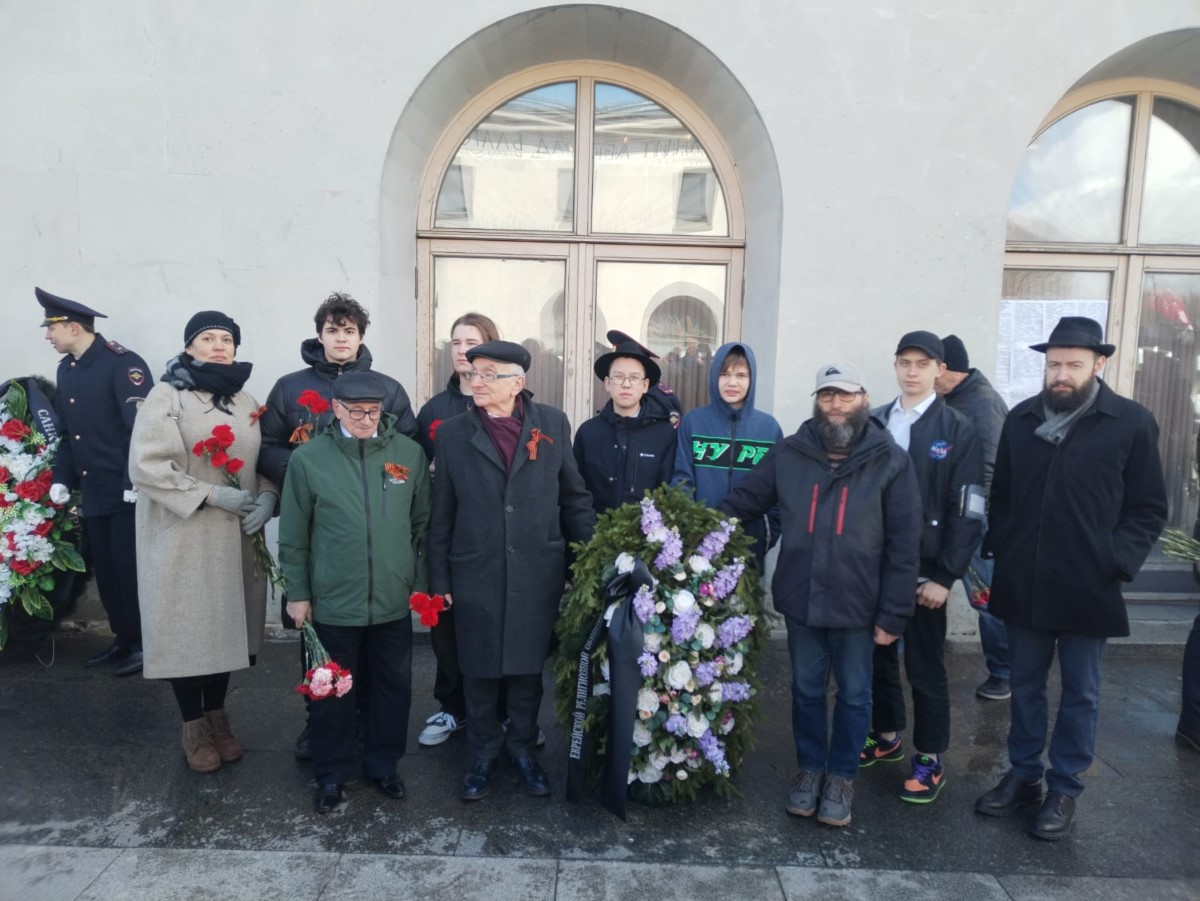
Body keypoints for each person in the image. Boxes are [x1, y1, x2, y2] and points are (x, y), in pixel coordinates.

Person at [975, 316, 1168, 840]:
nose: (1061, 374)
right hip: (1025, 579)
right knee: (1025, 685)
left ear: (1098, 364)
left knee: (1081, 690)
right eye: (1054, 363)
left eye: (1073, 365)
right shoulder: (1021, 419)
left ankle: (1065, 787)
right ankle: (1024, 775)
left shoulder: (1130, 422)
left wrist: (1116, 562)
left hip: (1090, 582)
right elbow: (1004, 495)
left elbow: (1148, 508)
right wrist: (1005, 548)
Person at [719, 362, 920, 828]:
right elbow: (744, 501)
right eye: (827, 396)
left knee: (854, 694)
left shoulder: (890, 461)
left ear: (863, 399)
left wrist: (893, 614)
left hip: (859, 604)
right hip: (802, 598)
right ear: (817, 400)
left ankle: (842, 777)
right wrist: (686, 528)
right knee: (807, 690)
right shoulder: (790, 453)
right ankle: (810, 770)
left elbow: (905, 546)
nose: (835, 405)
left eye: (845, 396)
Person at [428, 340, 595, 801]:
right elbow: (441, 515)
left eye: (488, 374)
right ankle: (482, 755)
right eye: (473, 373)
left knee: (525, 671)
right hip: (475, 569)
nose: (476, 381)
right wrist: (439, 581)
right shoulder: (454, 433)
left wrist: (590, 560)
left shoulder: (553, 424)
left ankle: (522, 750)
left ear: (517, 383)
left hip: (536, 570)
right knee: (478, 669)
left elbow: (574, 498)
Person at [257, 291, 417, 760]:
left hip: (376, 555)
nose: (341, 338)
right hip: (325, 535)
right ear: (319, 334)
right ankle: (321, 732)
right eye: (332, 329)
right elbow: (267, 445)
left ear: (361, 336)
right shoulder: (290, 387)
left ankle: (370, 734)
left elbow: (403, 445)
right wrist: (309, 475)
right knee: (325, 662)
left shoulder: (388, 388)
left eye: (349, 330)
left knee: (380, 669)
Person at [128, 311, 278, 773]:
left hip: (234, 538)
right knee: (188, 632)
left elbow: (264, 456)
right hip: (183, 537)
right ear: (189, 347)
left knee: (227, 631)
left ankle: (218, 715)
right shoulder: (166, 396)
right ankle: (193, 724)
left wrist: (268, 497)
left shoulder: (245, 398)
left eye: (227, 339)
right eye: (207, 338)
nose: (219, 346)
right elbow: (148, 467)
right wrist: (212, 493)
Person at [278, 371, 430, 813]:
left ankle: (384, 766)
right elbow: (294, 534)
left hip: (390, 600)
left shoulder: (408, 454)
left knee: (392, 688)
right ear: (336, 409)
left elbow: (422, 525)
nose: (367, 420)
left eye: (375, 411)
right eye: (357, 411)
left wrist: (418, 586)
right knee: (330, 692)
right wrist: (297, 593)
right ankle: (331, 772)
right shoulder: (309, 459)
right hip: (332, 602)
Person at [864, 330, 983, 804]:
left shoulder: (957, 429)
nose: (912, 372)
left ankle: (930, 758)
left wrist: (946, 576)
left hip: (925, 574)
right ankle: (887, 735)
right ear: (895, 367)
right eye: (904, 362)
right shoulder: (874, 423)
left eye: (921, 363)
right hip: (874, 567)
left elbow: (970, 510)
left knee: (925, 667)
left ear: (939, 370)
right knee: (877, 657)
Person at [39, 287, 154, 676]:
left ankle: (144, 643)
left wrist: (133, 480)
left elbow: (141, 430)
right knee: (106, 571)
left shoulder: (122, 364)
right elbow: (72, 434)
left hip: (126, 490)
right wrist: (61, 478)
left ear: (73, 327)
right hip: (94, 491)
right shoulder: (67, 369)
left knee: (129, 570)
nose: (47, 336)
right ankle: (123, 640)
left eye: (51, 328)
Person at [414, 311, 499, 748]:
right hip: (447, 535)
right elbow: (410, 469)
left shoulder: (509, 403)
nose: (462, 350)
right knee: (446, 634)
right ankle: (452, 708)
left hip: (493, 538)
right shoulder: (435, 410)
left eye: (472, 341)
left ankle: (505, 716)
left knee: (495, 628)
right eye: (455, 342)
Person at [935, 334, 1012, 701]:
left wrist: (970, 521)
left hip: (974, 523)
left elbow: (989, 469)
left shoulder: (981, 403)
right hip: (948, 516)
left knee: (987, 599)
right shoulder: (955, 398)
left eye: (930, 366)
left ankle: (1004, 673)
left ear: (945, 368)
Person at [672, 342, 783, 571]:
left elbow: (778, 492)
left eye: (741, 375)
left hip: (749, 551)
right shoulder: (694, 423)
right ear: (714, 377)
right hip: (699, 550)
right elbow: (681, 481)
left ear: (752, 379)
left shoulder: (769, 429)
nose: (732, 382)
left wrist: (765, 535)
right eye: (725, 374)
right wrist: (693, 532)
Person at [574, 340, 677, 515]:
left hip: (645, 537)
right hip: (593, 537)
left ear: (645, 385)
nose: (626, 384)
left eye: (634, 378)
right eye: (619, 377)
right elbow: (576, 493)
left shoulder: (664, 434)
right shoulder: (588, 433)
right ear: (607, 383)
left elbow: (667, 494)